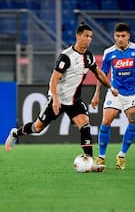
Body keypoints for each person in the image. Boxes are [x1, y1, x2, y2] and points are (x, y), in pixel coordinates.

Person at [4, 22, 113, 172]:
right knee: (37, 127)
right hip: (58, 99)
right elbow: (53, 80)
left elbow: (99, 73)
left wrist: (111, 87)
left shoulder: (88, 56)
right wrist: (55, 99)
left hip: (74, 100)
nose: (89, 39)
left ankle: (90, 162)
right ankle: (16, 133)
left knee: (85, 125)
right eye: (86, 36)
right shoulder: (66, 56)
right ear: (77, 36)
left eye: (91, 37)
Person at [91, 22, 135, 170]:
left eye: (123, 36)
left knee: (133, 120)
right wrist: (96, 94)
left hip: (133, 92)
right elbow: (102, 75)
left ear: (128, 36)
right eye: (117, 36)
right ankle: (101, 157)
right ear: (114, 36)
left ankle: (122, 155)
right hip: (115, 92)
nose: (120, 39)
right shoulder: (109, 52)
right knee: (106, 120)